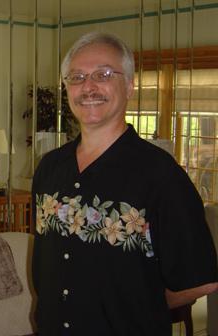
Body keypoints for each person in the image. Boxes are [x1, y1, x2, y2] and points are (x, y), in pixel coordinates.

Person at [31, 31, 218, 336]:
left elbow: (200, 278)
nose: (88, 86)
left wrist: (141, 303)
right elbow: (44, 266)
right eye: (76, 77)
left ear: (130, 85)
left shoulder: (160, 174)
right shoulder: (50, 167)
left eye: (103, 74)